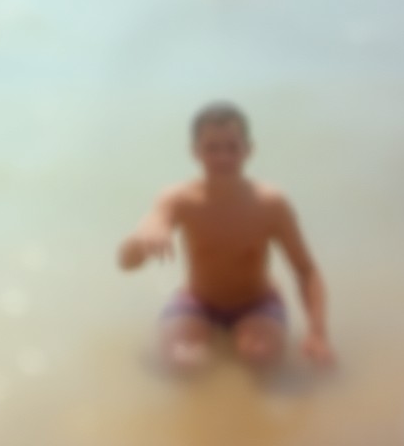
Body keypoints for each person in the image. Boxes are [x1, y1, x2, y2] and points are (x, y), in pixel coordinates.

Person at [118, 103, 335, 373]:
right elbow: (126, 264)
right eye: (212, 148)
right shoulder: (179, 199)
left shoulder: (270, 204)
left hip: (256, 303)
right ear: (195, 151)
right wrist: (141, 238)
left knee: (260, 361)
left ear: (248, 150)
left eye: (232, 147)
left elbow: (306, 270)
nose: (223, 157)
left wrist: (318, 332)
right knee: (181, 365)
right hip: (198, 301)